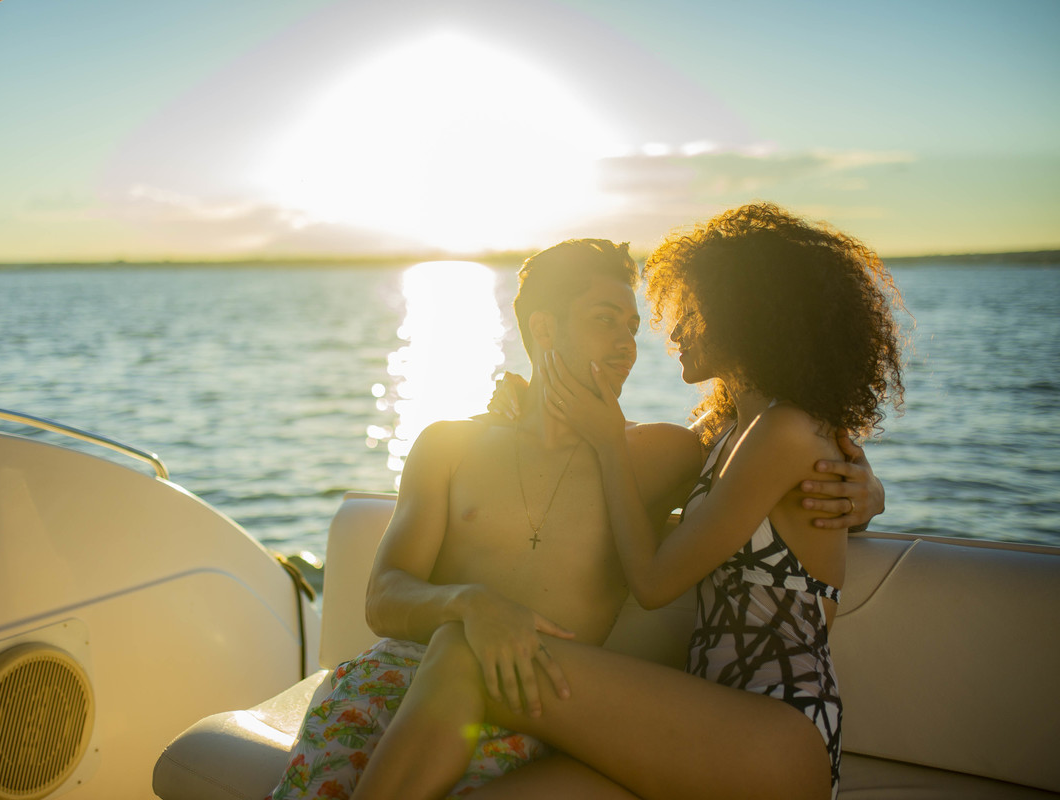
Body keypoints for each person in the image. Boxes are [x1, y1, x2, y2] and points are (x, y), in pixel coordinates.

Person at [267, 231, 884, 800]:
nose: (641, 342)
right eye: (605, 321)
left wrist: (867, 492)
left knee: (465, 649)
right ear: (543, 328)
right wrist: (474, 599)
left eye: (641, 322)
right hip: (682, 713)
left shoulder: (705, 445)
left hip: (763, 724)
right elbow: (384, 596)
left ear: (744, 313)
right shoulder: (724, 435)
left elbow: (776, 469)